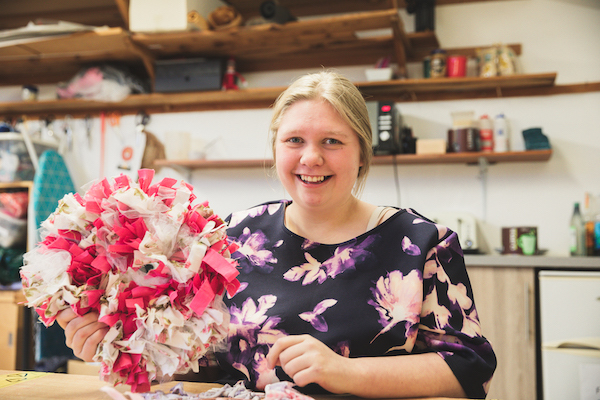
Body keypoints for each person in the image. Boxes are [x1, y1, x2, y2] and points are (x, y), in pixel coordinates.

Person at [57, 71, 496, 399]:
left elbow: (471, 368)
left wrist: (344, 372)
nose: (311, 157)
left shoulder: (421, 244)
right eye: (294, 141)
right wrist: (112, 344)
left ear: (362, 153)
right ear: (275, 150)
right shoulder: (228, 238)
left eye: (332, 142)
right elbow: (186, 357)